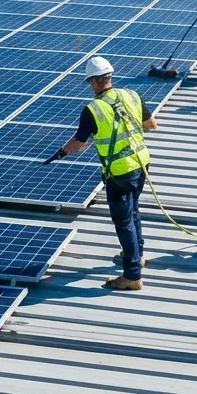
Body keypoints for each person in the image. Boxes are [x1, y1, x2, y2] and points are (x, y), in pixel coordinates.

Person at [46, 56, 157, 291]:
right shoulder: (131, 95)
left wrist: (62, 152)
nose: (91, 86)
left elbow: (78, 143)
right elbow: (151, 124)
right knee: (133, 211)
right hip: (142, 163)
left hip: (120, 172)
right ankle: (137, 255)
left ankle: (132, 275)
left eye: (90, 82)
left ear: (96, 81)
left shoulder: (93, 110)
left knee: (123, 221)